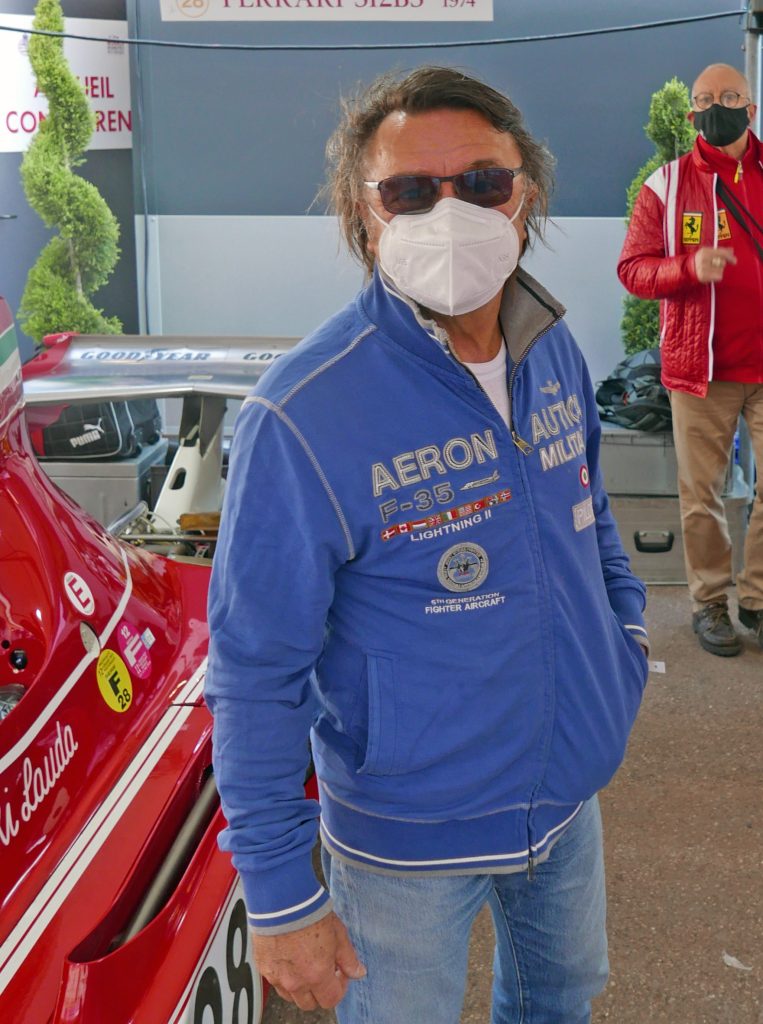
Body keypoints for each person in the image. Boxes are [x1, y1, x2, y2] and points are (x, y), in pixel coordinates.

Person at [206, 65, 649, 1024]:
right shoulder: (304, 413)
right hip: (404, 841)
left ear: (524, 191)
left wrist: (622, 646)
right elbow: (253, 670)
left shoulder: (551, 348)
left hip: (566, 803)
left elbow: (589, 516)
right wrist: (281, 894)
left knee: (561, 1000)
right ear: (365, 217)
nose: (449, 213)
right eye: (410, 191)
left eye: (481, 183)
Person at [618, 63, 763, 657]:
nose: (715, 107)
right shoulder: (666, 187)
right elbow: (633, 268)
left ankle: (755, 598)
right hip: (701, 371)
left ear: (750, 108)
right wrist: (687, 268)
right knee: (701, 495)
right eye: (704, 100)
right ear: (691, 114)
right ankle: (709, 604)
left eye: (728, 97)